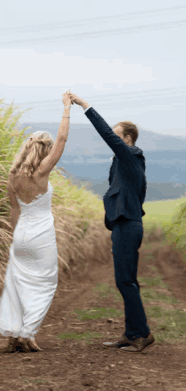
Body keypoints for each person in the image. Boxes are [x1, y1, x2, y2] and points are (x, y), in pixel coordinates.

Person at [69, 93, 155, 353]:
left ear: (127, 139)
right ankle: (131, 334)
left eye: (117, 136)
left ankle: (142, 334)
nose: (112, 140)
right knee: (126, 280)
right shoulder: (124, 162)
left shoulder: (130, 156)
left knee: (124, 281)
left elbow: (106, 133)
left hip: (128, 225)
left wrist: (85, 106)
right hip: (123, 224)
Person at [0, 91, 73, 352]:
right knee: (45, 284)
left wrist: (16, 238)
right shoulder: (41, 172)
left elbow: (14, 211)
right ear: (44, 151)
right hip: (41, 236)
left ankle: (15, 336)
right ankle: (27, 334)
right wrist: (66, 107)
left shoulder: (13, 176)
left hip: (21, 236)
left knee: (18, 286)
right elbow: (61, 138)